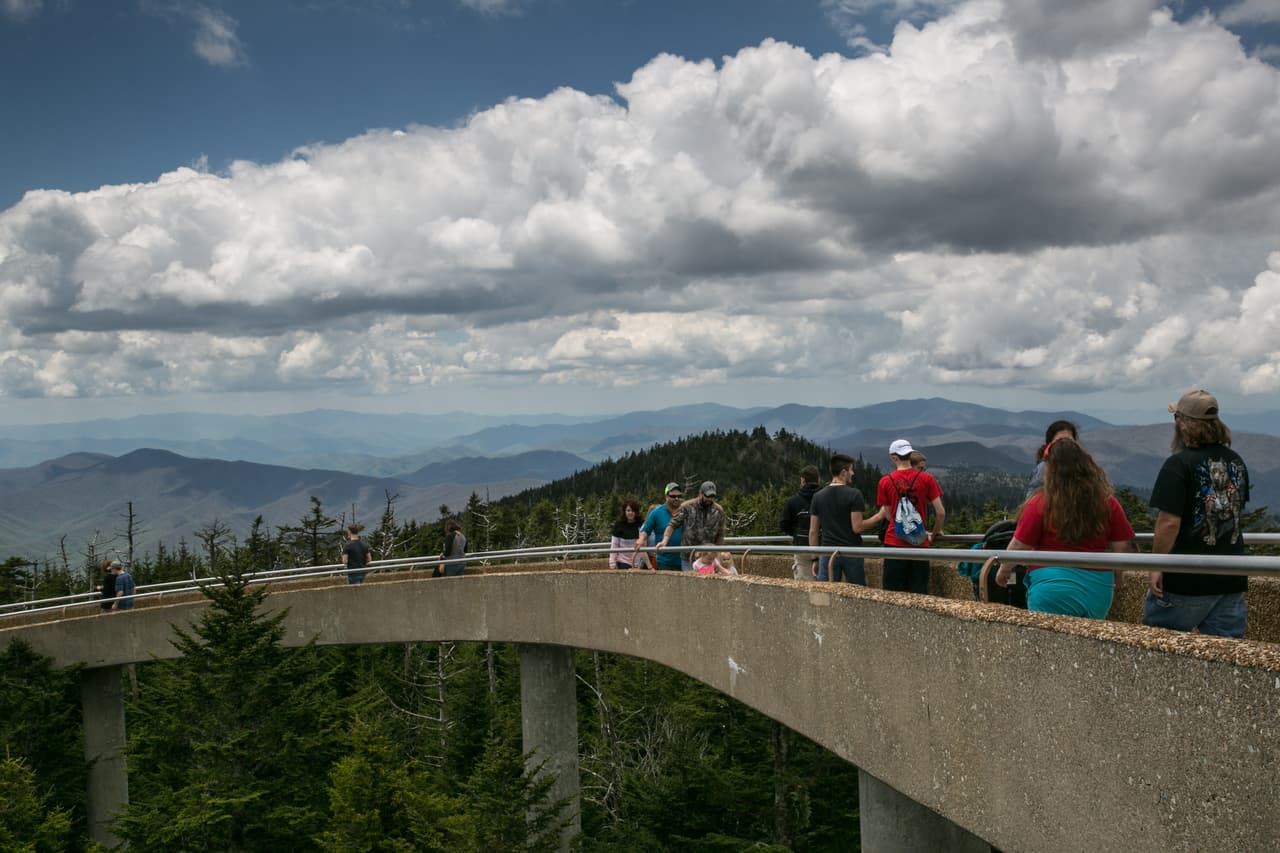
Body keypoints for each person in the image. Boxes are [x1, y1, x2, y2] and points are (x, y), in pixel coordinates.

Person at [1143, 390, 1250, 637]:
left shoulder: (1179, 464)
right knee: (1227, 661)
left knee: (1157, 655)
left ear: (1182, 424)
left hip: (1185, 581)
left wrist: (1155, 564)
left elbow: (1169, 522)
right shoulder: (1236, 461)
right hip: (1230, 579)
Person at [993, 438, 1134, 618]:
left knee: (1046, 643)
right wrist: (1118, 577)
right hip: (1098, 589)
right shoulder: (1107, 502)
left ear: (1050, 469)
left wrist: (1004, 571)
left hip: (1050, 587)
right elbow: (1121, 545)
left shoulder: (1040, 503)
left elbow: (1019, 545)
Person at [876, 439, 946, 594]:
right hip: (919, 545)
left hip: (894, 543)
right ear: (910, 454)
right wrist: (933, 534)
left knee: (892, 596)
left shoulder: (885, 482)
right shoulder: (927, 479)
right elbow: (940, 513)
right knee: (919, 595)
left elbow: (888, 515)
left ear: (894, 458)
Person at [808, 453, 884, 585]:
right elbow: (858, 527)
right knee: (858, 595)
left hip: (827, 552)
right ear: (844, 472)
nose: (853, 473)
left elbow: (813, 531)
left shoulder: (817, 496)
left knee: (826, 596)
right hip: (852, 551)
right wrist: (879, 516)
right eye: (851, 470)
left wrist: (815, 558)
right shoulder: (854, 494)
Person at [659, 482, 726, 570]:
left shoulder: (718, 510)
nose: (709, 499)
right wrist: (665, 540)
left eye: (712, 497)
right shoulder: (687, 507)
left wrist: (717, 553)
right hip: (688, 556)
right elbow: (672, 525)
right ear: (700, 493)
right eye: (707, 496)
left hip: (709, 558)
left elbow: (720, 534)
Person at [780, 465, 822, 580]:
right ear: (818, 480)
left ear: (802, 480)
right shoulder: (824, 498)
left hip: (802, 547)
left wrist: (796, 532)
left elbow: (784, 524)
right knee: (826, 585)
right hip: (824, 547)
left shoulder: (793, 501)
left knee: (803, 587)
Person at [639, 483, 685, 571]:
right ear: (666, 496)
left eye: (679, 496)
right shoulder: (656, 512)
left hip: (684, 560)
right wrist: (641, 539)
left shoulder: (685, 510)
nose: (677, 498)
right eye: (673, 496)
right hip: (665, 561)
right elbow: (646, 529)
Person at [1027, 420, 1079, 498]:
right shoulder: (1044, 469)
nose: (1065, 444)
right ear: (1049, 444)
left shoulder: (1083, 466)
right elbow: (1032, 500)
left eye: (1069, 441)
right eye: (1059, 441)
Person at [609, 500, 646, 569]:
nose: (631, 513)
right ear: (624, 512)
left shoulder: (641, 525)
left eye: (633, 511)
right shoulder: (619, 525)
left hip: (639, 562)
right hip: (623, 561)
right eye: (628, 510)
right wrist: (612, 562)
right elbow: (614, 545)